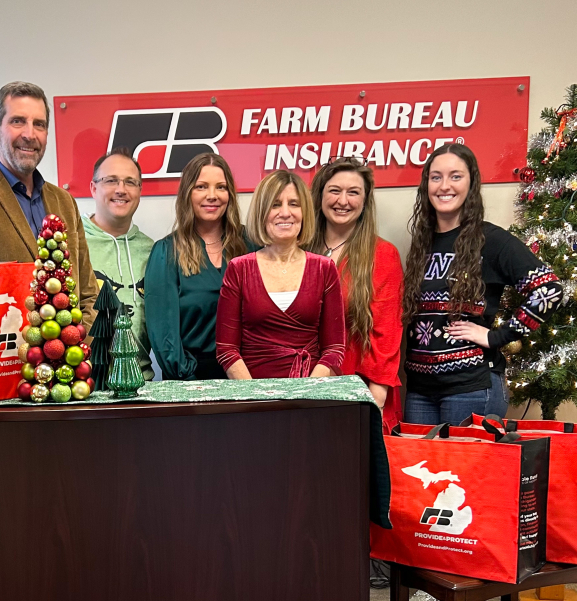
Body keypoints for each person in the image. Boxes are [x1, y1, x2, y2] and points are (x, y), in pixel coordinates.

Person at [402, 143, 563, 601]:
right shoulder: (422, 243)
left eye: (455, 176)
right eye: (435, 177)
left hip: (471, 385)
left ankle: (466, 594)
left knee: (468, 489)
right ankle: (433, 587)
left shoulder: (491, 241)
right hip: (420, 389)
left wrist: (496, 336)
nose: (444, 186)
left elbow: (549, 287)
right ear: (425, 186)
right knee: (427, 494)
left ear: (471, 184)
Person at [0, 81, 98, 327]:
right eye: (17, 121)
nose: (29, 134)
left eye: (39, 124)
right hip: (6, 359)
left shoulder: (64, 201)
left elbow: (87, 294)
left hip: (71, 359)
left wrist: (73, 346)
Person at [216, 170, 345, 379]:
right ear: (262, 212)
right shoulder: (239, 269)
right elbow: (226, 350)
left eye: (294, 204)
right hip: (254, 398)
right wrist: (257, 399)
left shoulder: (324, 268)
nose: (285, 213)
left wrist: (306, 394)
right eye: (275, 204)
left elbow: (334, 349)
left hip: (310, 397)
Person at [307, 157, 403, 431]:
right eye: (335, 190)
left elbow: (385, 334)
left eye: (353, 192)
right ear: (320, 195)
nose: (343, 200)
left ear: (365, 201)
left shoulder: (382, 255)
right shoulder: (297, 250)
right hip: (303, 390)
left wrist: (376, 403)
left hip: (357, 393)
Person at [144, 153, 249, 380]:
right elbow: (164, 336)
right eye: (201, 186)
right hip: (191, 382)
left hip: (249, 378)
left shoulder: (250, 244)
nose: (212, 196)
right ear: (187, 194)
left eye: (221, 187)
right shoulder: (167, 252)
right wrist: (192, 377)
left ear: (229, 194)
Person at [83, 148, 154, 379]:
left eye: (130, 182)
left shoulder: (153, 251)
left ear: (140, 191)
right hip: (83, 384)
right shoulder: (72, 245)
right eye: (111, 180)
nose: (121, 190)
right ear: (93, 188)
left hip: (142, 385)